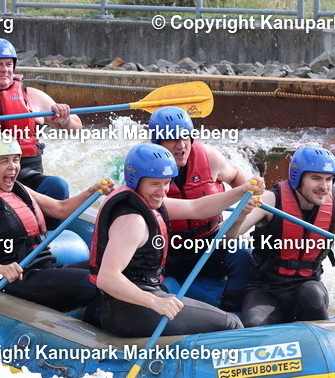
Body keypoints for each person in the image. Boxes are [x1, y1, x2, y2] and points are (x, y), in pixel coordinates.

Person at [89, 143, 264, 338]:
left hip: (133, 302)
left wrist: (241, 191)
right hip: (130, 310)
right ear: (135, 180)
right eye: (154, 184)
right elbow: (107, 278)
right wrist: (155, 302)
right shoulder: (133, 221)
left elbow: (196, 208)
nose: (162, 191)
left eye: (166, 183)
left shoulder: (144, 200)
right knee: (232, 324)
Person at [227, 146, 335, 328]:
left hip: (308, 285)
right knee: (254, 324)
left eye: (329, 179)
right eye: (316, 178)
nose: (324, 187)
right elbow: (227, 238)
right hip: (265, 289)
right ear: (297, 178)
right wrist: (242, 214)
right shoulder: (269, 201)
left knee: (311, 293)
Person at [0, 137, 112, 314]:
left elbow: (60, 208)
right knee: (96, 281)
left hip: (42, 268)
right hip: (17, 279)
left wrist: (91, 191)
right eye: (4, 161)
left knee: (108, 269)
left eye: (16, 159)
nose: (13, 166)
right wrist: (1, 269)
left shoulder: (17, 189)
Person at [148, 106, 253, 311]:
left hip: (209, 242)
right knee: (164, 284)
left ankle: (232, 314)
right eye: (172, 139)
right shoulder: (147, 169)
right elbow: (194, 208)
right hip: (168, 248)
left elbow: (236, 177)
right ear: (157, 143)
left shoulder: (209, 156)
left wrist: (247, 195)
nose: (181, 146)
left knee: (242, 257)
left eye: (185, 137)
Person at [0, 37, 81, 200]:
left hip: (27, 175)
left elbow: (76, 128)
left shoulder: (32, 96)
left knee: (57, 186)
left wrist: (64, 120)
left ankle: (46, 225)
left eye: (9, 64)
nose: (5, 69)